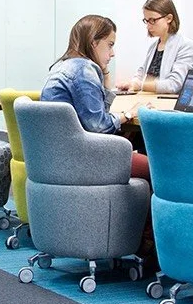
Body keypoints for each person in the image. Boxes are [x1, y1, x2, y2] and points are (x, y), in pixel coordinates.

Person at [40, 14, 152, 181]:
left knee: (132, 145)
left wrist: (105, 81)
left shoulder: (63, 66)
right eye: (110, 45)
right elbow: (99, 126)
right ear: (93, 42)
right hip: (82, 160)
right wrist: (127, 114)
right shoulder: (84, 70)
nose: (112, 53)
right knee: (160, 169)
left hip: (56, 158)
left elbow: (96, 114)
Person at [115, 0, 193, 95]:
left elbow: (173, 85)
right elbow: (141, 72)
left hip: (167, 104)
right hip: (148, 98)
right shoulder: (154, 46)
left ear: (169, 18)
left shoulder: (186, 47)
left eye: (153, 20)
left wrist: (140, 85)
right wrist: (132, 83)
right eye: (146, 21)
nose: (148, 26)